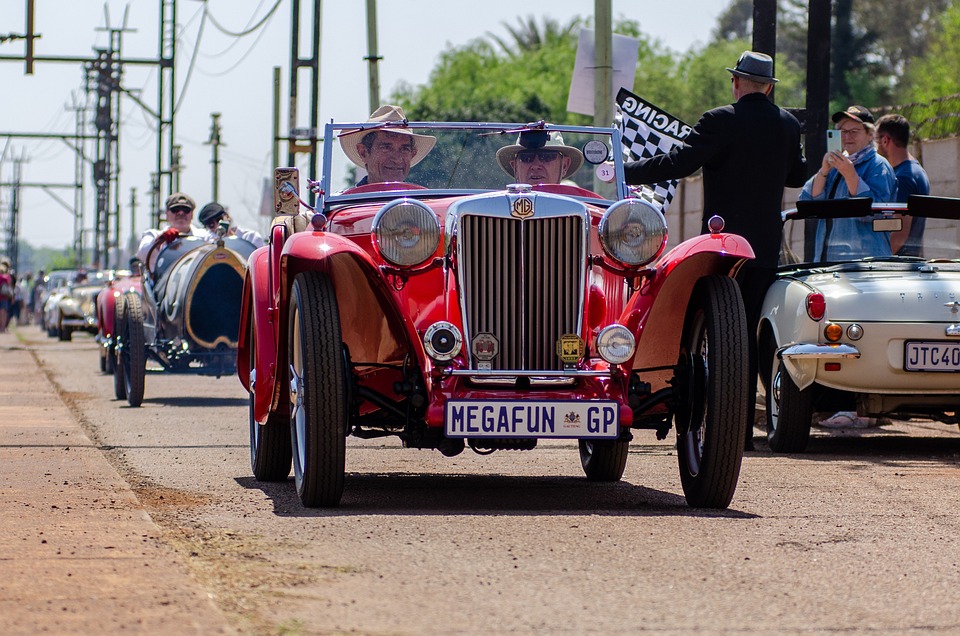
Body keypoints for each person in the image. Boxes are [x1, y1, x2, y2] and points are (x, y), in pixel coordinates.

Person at [622, 51, 807, 450]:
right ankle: (740, 433)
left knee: (715, 332)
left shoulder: (720, 120)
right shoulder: (788, 124)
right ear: (770, 87)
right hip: (765, 244)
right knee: (749, 330)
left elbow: (681, 162)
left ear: (737, 83)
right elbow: (796, 175)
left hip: (722, 248)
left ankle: (722, 427)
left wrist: (626, 171)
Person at [799, 105, 897, 261]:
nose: (847, 137)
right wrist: (824, 171)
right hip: (830, 263)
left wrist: (850, 175)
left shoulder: (878, 165)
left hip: (865, 265)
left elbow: (876, 215)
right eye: (843, 132)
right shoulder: (837, 163)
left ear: (870, 135)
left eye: (854, 132)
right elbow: (807, 202)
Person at [339, 104, 436, 185]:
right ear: (363, 152)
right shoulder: (347, 205)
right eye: (386, 148)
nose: (397, 160)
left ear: (412, 154)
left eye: (404, 149)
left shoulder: (421, 205)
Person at [876, 113, 930, 256]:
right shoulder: (916, 170)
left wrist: (879, 259)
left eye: (876, 140)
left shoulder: (903, 178)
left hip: (898, 266)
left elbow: (899, 233)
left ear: (885, 140)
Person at [135, 192, 206, 270]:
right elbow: (142, 254)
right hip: (162, 280)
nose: (181, 213)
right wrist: (159, 241)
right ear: (167, 214)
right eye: (175, 209)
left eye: (186, 209)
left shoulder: (204, 237)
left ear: (192, 214)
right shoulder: (153, 235)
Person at [495, 130, 584, 185]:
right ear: (515, 167)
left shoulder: (579, 209)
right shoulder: (500, 209)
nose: (535, 165)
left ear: (565, 165)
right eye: (527, 158)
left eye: (546, 157)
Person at [197, 202, 264, 248]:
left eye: (219, 220)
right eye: (211, 225)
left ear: (227, 217)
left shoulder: (250, 238)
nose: (218, 226)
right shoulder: (205, 242)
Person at [0, 258, 14, 333]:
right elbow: (10, 288)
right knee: (4, 313)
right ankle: (3, 327)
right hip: (4, 297)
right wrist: (12, 297)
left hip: (3, 297)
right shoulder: (6, 277)